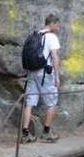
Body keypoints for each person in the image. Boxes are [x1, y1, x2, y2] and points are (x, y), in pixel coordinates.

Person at [22, 14, 61, 143]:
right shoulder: (51, 37)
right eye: (57, 24)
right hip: (45, 74)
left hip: (32, 72)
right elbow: (54, 57)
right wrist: (57, 76)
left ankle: (25, 133)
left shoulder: (35, 34)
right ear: (53, 23)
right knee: (52, 102)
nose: (58, 27)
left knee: (29, 103)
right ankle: (46, 132)